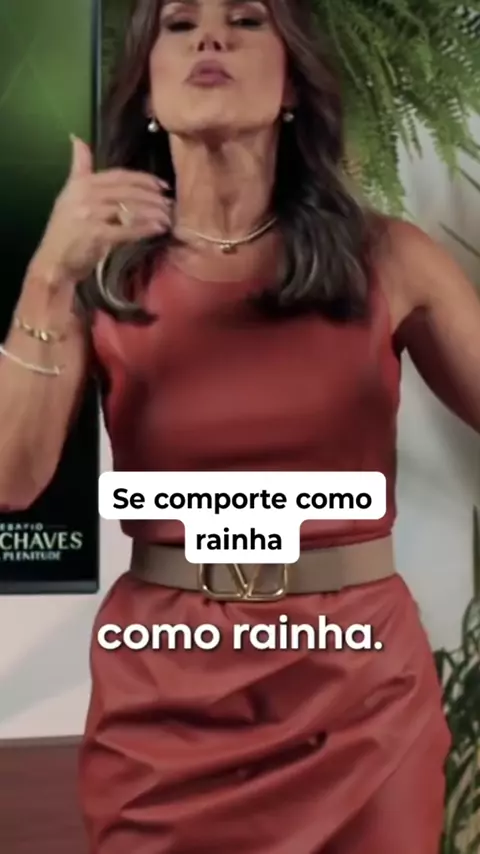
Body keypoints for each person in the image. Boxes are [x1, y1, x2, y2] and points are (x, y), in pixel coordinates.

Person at [1, 0, 479, 850]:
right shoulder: (97, 276)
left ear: (293, 83)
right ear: (147, 88)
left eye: (247, 20)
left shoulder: (390, 258)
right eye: (180, 24)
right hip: (165, 695)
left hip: (359, 698)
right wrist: (47, 277)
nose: (211, 37)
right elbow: (13, 479)